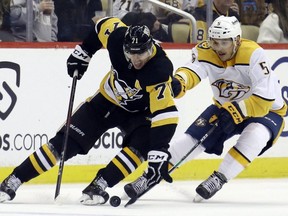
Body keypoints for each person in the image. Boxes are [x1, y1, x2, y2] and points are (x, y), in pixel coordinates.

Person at [0, 16, 178, 205]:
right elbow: (102, 24)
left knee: (142, 144)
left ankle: (99, 185)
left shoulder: (159, 68)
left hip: (140, 112)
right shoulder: (118, 37)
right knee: (64, 143)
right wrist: (85, 51)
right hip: (106, 102)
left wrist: (158, 152)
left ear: (150, 48)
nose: (136, 59)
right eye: (131, 53)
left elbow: (165, 114)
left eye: (141, 54)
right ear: (124, 47)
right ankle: (13, 180)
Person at [124, 15, 287, 202]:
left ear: (237, 41)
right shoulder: (205, 50)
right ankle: (150, 175)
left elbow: (265, 97)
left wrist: (236, 111)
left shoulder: (254, 54)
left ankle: (219, 177)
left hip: (267, 111)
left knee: (256, 135)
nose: (217, 48)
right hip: (225, 106)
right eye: (214, 42)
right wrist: (180, 82)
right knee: (190, 139)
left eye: (223, 43)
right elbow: (193, 70)